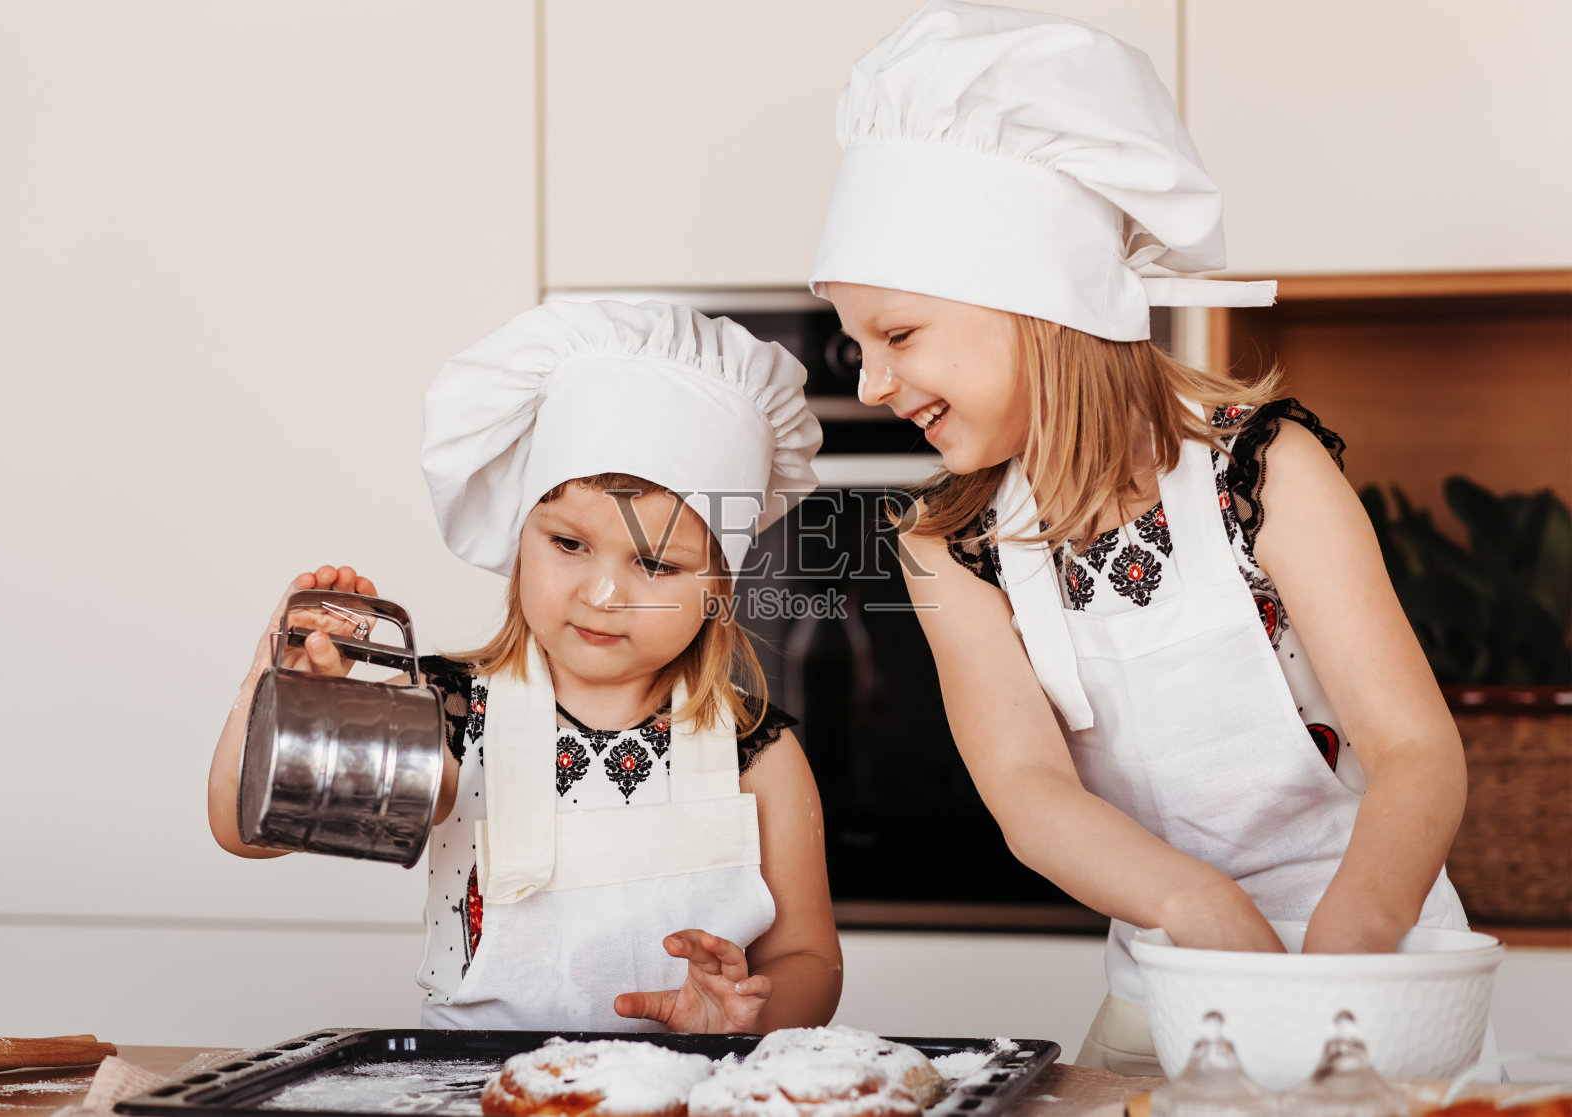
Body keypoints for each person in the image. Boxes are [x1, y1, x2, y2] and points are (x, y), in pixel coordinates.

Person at [807, 0, 1475, 1071]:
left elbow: (1413, 753)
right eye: (856, 347)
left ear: (1039, 300)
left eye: (897, 333)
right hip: (1168, 979)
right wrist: (1197, 909)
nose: (873, 382)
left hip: (1381, 965)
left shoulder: (1265, 471)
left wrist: (1333, 977)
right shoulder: (950, 543)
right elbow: (1029, 791)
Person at [208, 299, 841, 1034]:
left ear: (718, 587)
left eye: (657, 563)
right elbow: (246, 829)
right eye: (569, 544)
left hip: (682, 1094)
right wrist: (279, 691)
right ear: (521, 538)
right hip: (473, 1091)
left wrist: (745, 1016)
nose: (603, 595)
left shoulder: (758, 750)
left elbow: (808, 958)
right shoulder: (447, 713)